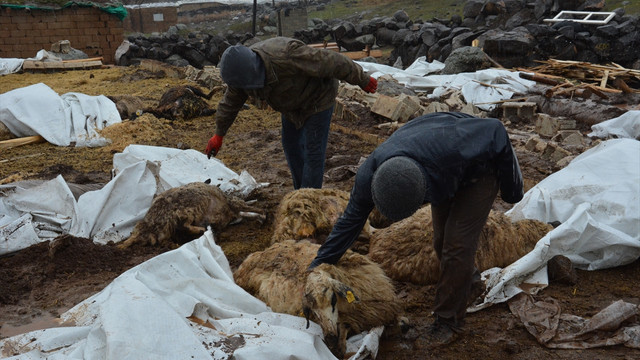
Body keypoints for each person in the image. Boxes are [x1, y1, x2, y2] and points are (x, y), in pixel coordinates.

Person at [307, 111, 524, 346]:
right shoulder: (368, 175)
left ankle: (448, 322)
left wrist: (513, 191)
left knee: (457, 245)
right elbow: (349, 223)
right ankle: (468, 285)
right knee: (440, 241)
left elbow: (497, 130)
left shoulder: (456, 149)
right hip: (438, 164)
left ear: (424, 191)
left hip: (479, 171)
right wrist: (316, 267)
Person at [205, 37, 378, 189]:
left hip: (318, 98)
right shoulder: (241, 76)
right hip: (291, 106)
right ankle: (300, 192)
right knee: (291, 146)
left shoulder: (287, 55)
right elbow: (229, 104)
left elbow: (334, 61)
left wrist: (362, 79)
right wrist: (218, 135)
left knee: (313, 152)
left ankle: (309, 200)